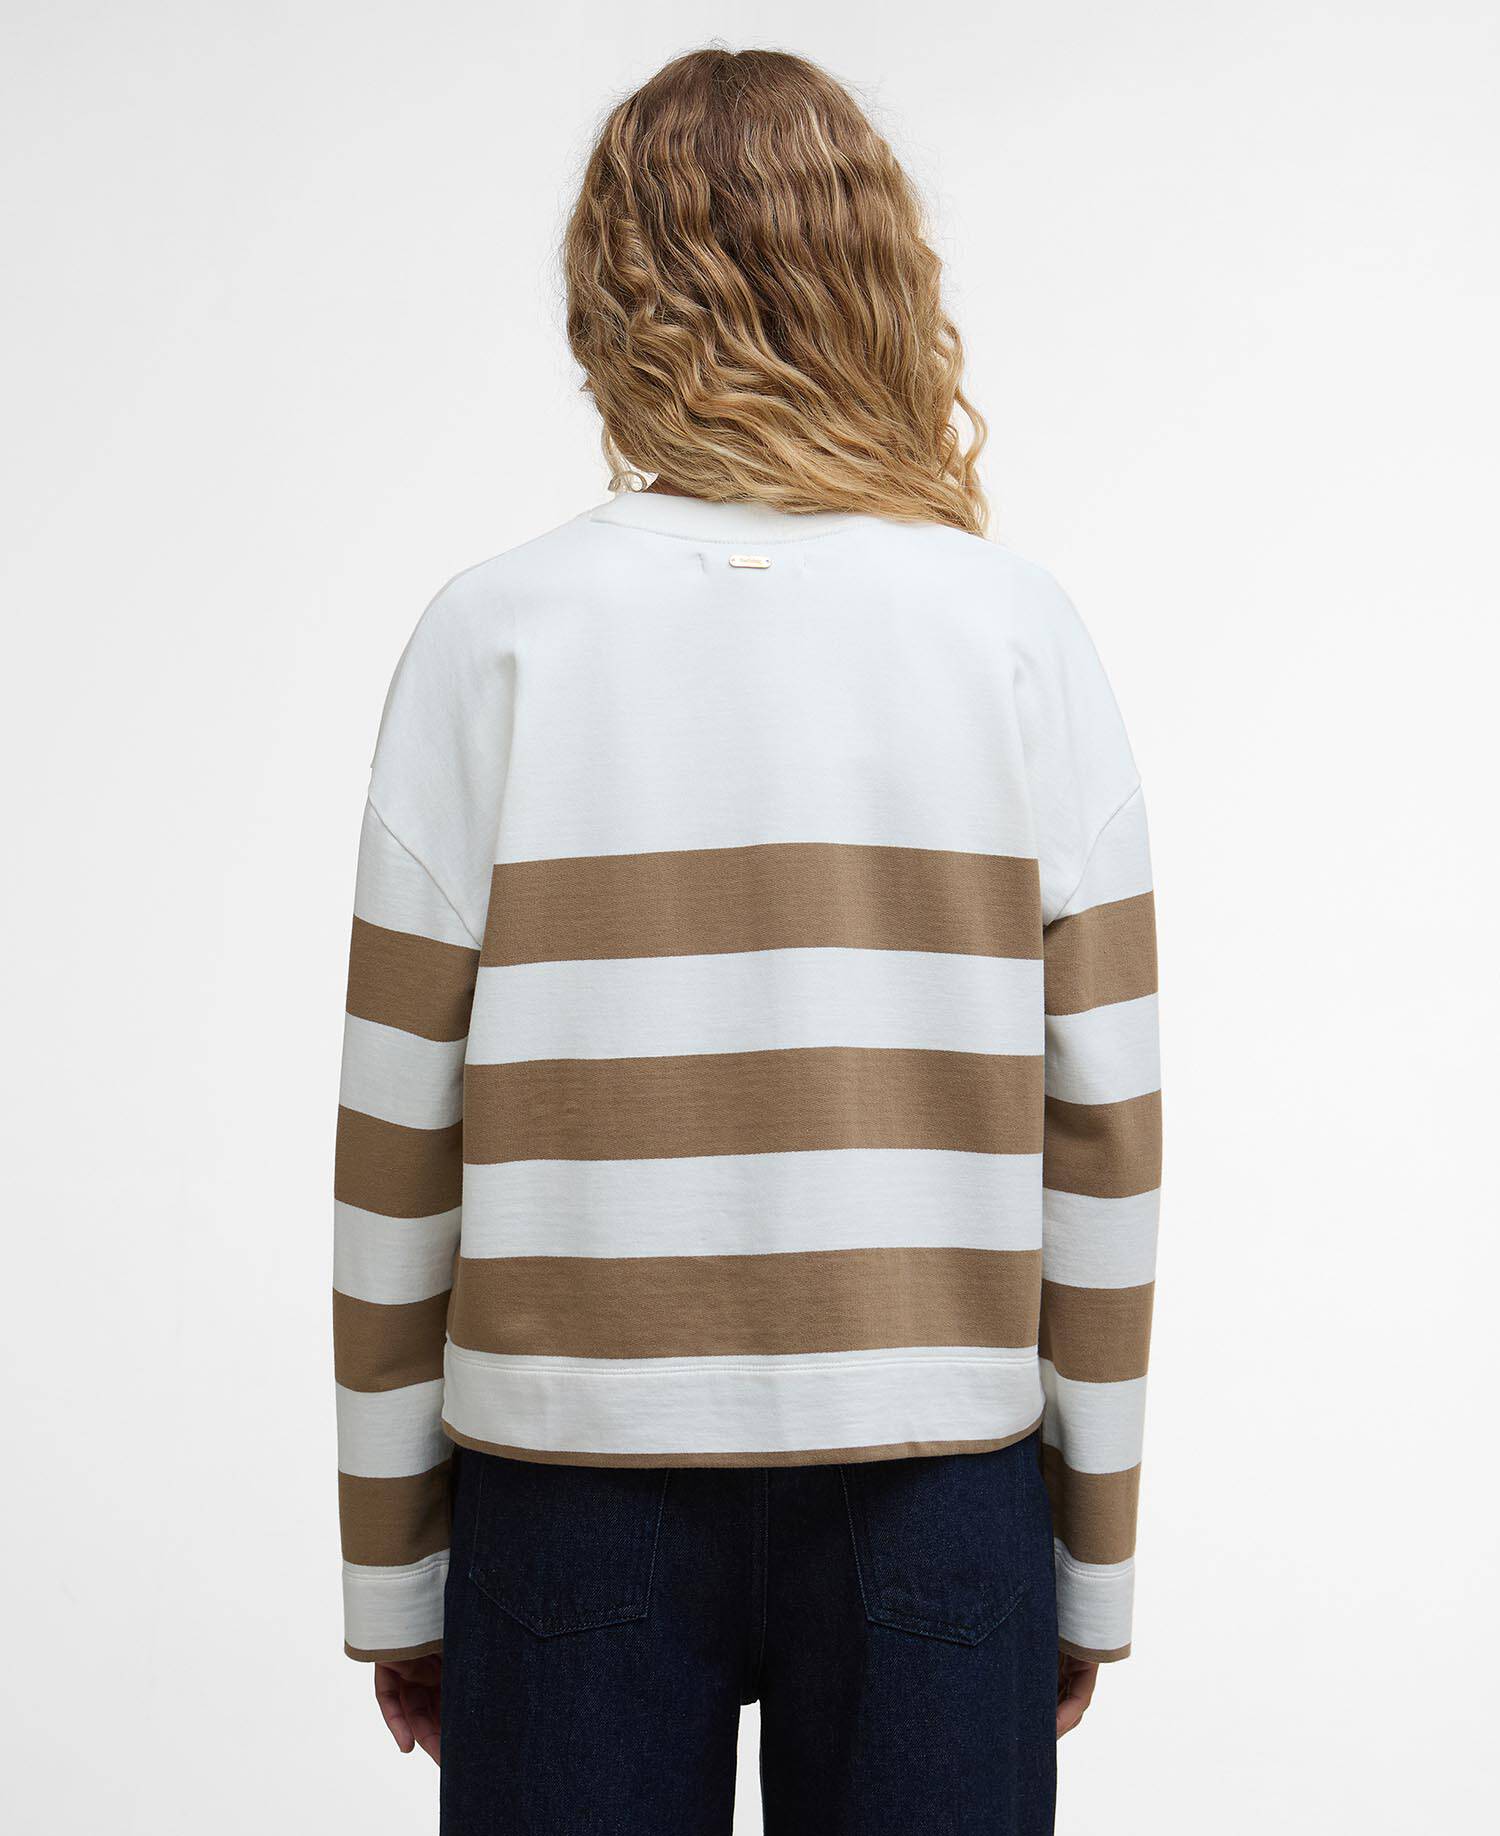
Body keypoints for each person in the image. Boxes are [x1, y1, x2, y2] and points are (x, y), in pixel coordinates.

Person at [331, 44, 1160, 1835]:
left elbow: (398, 1143)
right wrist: (1085, 1560)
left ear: (607, 291)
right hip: (938, 1484)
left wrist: (397, 1579)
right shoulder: (1015, 637)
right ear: (884, 277)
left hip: (571, 1481)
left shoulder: (491, 640)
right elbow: (1106, 1131)